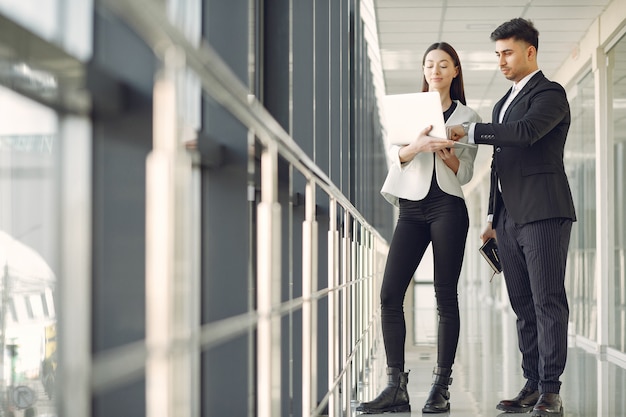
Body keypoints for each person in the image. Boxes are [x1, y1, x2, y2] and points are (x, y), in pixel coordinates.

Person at [448, 18, 576, 416]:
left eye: (507, 52)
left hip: (544, 212)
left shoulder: (550, 94)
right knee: (522, 305)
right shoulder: (503, 102)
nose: (501, 61)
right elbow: (499, 164)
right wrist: (491, 215)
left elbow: (523, 133)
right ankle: (532, 383)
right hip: (509, 219)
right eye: (497, 54)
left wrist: (470, 132)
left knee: (547, 301)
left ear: (530, 51)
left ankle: (551, 389)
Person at [356, 42, 481, 414]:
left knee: (445, 296)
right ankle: (396, 386)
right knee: (389, 294)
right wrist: (414, 147)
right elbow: (397, 159)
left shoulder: (468, 114)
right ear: (424, 69)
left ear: (455, 70)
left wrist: (451, 157)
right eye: (430, 64)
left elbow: (469, 173)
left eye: (444, 64)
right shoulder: (409, 109)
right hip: (411, 207)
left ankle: (441, 386)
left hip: (448, 205)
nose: (436, 70)